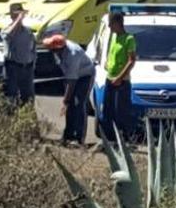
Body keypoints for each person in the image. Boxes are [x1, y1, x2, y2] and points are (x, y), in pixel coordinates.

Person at [42, 34, 95, 146]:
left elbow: (72, 82)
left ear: (59, 48)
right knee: (70, 105)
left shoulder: (73, 54)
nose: (51, 52)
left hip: (85, 76)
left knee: (79, 103)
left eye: (52, 50)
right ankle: (68, 135)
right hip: (71, 76)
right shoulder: (58, 52)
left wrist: (65, 100)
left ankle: (79, 138)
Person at [101, 12, 136, 141]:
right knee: (107, 111)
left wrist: (120, 78)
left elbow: (131, 60)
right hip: (110, 78)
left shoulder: (129, 39)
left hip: (122, 81)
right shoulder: (113, 37)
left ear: (117, 23)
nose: (110, 27)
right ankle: (108, 140)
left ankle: (123, 139)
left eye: (111, 25)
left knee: (120, 112)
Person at [1, 2, 36, 105]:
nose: (19, 17)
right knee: (12, 95)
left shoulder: (28, 31)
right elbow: (8, 35)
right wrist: (17, 20)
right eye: (16, 14)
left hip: (27, 68)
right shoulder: (6, 30)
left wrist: (33, 62)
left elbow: (33, 48)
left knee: (28, 97)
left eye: (20, 14)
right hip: (13, 67)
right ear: (11, 16)